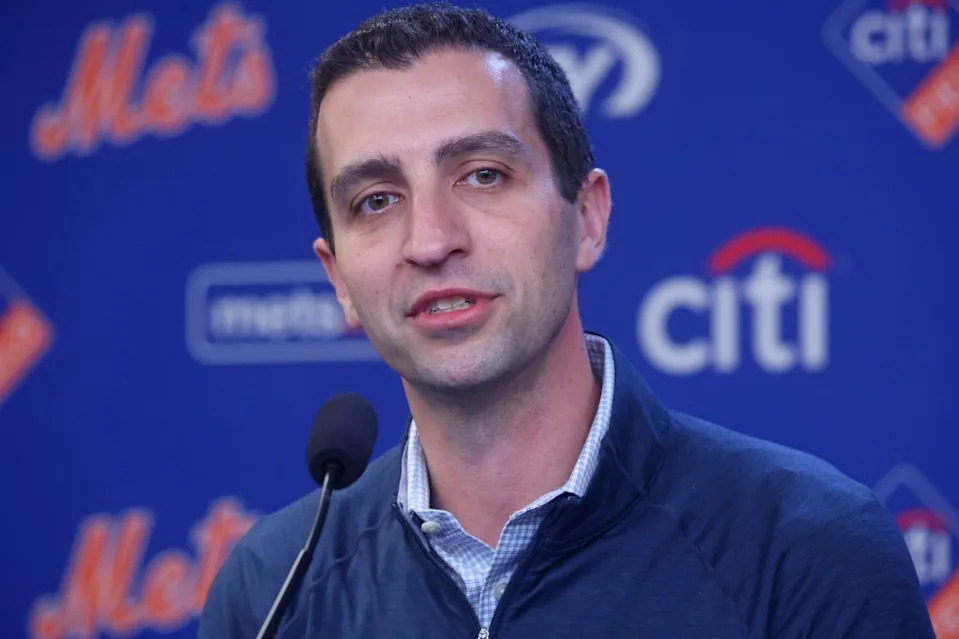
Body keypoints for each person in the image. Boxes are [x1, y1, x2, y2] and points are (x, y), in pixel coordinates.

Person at [199, 3, 935, 637]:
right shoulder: (272, 588)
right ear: (339, 281)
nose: (430, 239)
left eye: (482, 174)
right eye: (376, 200)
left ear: (586, 217)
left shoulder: (806, 547)